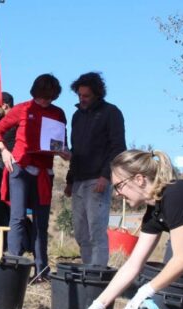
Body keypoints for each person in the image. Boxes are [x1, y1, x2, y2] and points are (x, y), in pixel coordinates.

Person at [79, 149, 183, 309]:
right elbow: (133, 264)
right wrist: (100, 304)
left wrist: (146, 290)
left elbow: (182, 258)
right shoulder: (154, 213)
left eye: (119, 185)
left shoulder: (176, 194)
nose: (117, 194)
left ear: (139, 179)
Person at [0, 74, 69, 281]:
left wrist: (64, 152)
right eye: (42, 97)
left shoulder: (58, 113)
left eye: (50, 98)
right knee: (17, 217)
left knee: (41, 222)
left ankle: (41, 270)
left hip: (44, 173)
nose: (45, 101)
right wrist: (4, 151)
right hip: (20, 168)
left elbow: (62, 143)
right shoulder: (22, 109)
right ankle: (14, 266)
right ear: (35, 93)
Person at [64, 72, 126, 267]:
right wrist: (69, 180)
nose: (82, 99)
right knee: (81, 232)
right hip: (78, 181)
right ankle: (87, 269)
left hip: (97, 180)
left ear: (98, 94)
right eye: (79, 95)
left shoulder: (111, 113)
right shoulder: (76, 116)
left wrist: (106, 176)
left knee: (96, 231)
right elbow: (77, 150)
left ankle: (97, 274)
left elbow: (118, 147)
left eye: (86, 96)